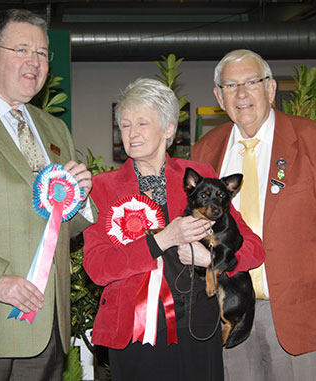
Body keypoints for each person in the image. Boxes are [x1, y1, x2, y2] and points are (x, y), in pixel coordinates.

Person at [191, 49, 316, 381]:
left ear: (270, 89)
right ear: (218, 97)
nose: (241, 93)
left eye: (252, 82)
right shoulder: (205, 150)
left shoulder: (315, 141)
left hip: (302, 315)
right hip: (228, 312)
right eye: (230, 85)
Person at [83, 78, 265, 381]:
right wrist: (162, 241)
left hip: (199, 330)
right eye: (125, 125)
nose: (132, 133)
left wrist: (214, 261)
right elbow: (98, 268)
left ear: (168, 129)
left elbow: (254, 249)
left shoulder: (202, 179)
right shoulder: (103, 188)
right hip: (134, 333)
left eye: (142, 123)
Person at [0, 9, 96, 381]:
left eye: (41, 53)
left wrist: (82, 198)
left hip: (50, 328)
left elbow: (64, 228)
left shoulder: (54, 129)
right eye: (22, 49)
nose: (34, 62)